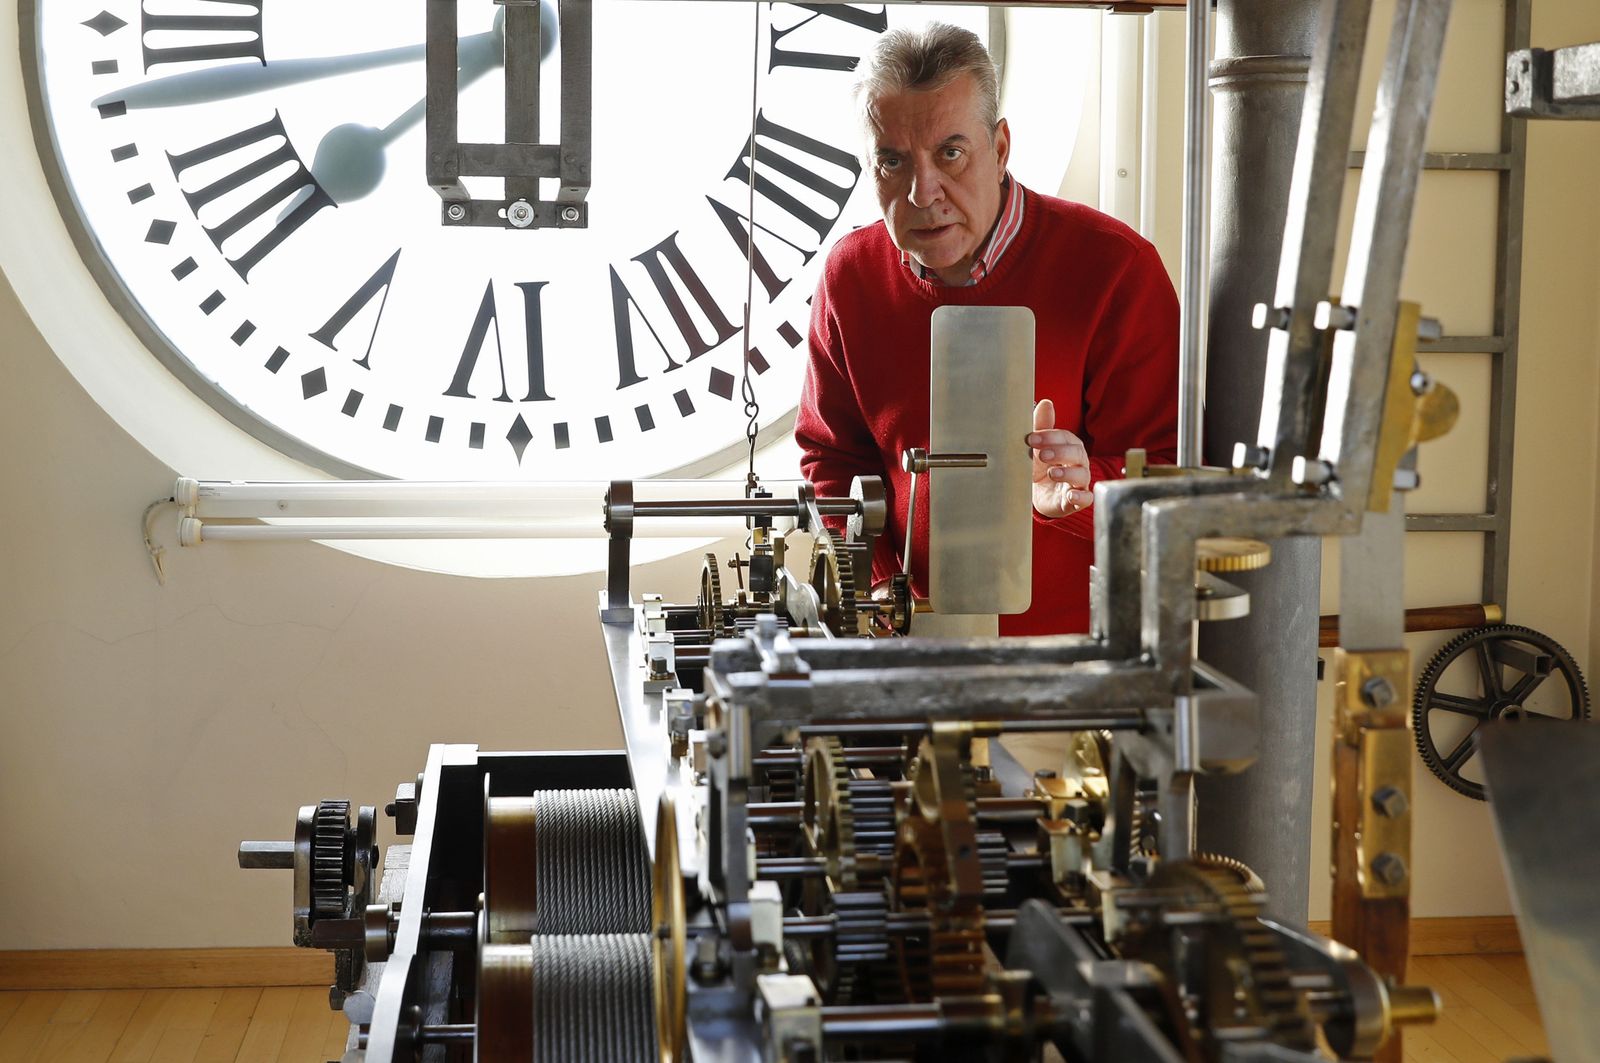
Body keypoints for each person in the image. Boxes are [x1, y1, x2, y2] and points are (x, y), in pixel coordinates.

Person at [796, 22, 1179, 636]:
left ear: (1000, 148)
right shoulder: (849, 275)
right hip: (907, 645)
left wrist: (1080, 489)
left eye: (951, 152)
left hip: (1081, 660)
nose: (924, 193)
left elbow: (1168, 473)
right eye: (892, 161)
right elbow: (832, 457)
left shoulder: (1116, 269)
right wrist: (872, 591)